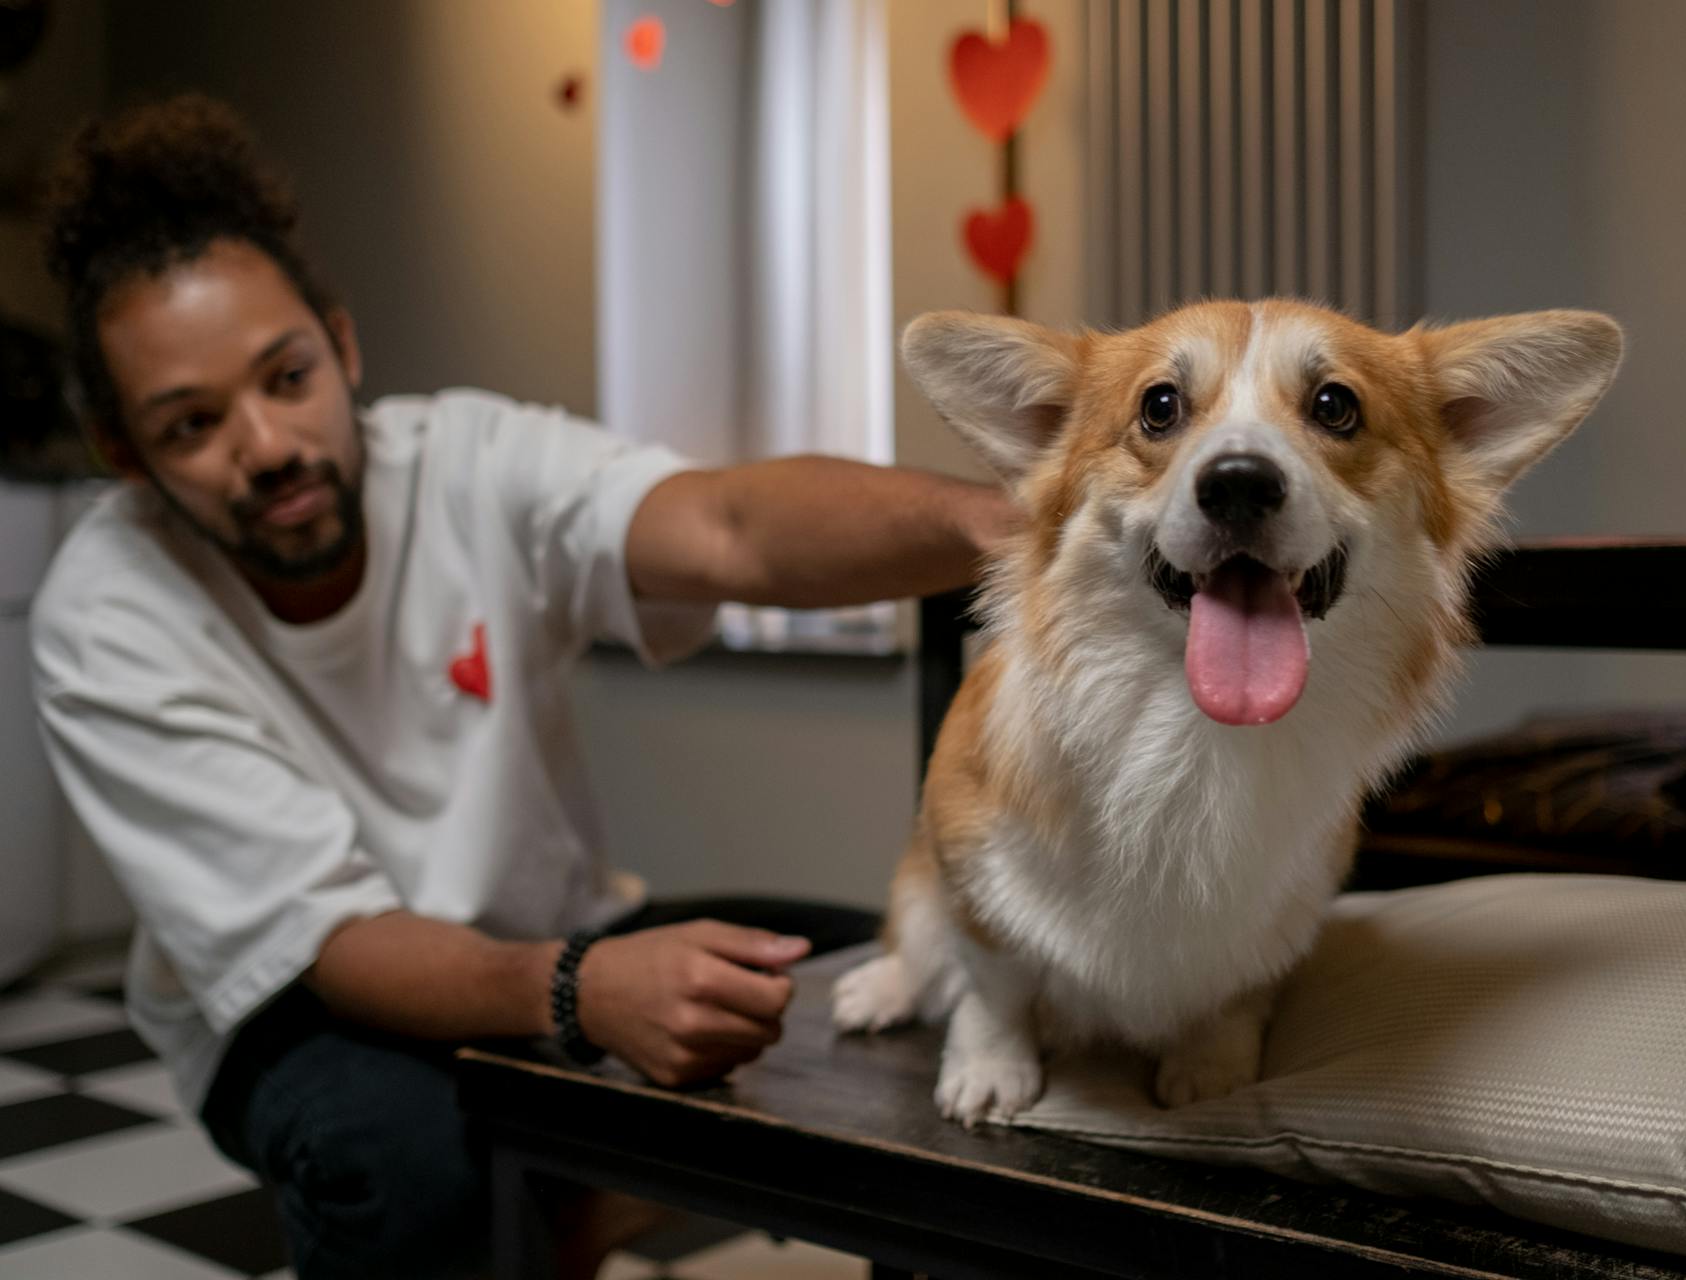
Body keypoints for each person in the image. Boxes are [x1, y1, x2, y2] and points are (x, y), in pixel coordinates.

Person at [30, 94, 1009, 1279]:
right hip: (300, 1001)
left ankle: (560, 1224)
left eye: (285, 376)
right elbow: (330, 938)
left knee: (903, 984)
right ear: (129, 458)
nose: (267, 441)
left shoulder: (470, 458)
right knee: (405, 1166)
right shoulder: (106, 611)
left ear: (340, 346)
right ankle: (513, 1218)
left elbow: (730, 526)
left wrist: (1012, 523)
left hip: (549, 931)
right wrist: (576, 989)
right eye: (192, 423)